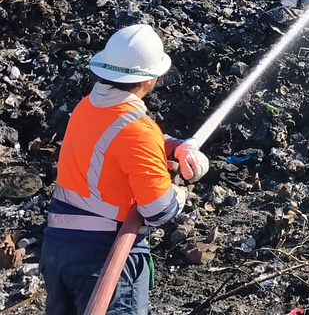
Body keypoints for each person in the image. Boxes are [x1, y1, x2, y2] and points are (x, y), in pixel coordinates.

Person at [40, 24, 210, 315]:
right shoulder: (136, 130)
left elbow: (120, 142)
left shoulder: (87, 108)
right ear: (150, 79)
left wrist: (176, 147)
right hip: (104, 260)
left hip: (58, 253)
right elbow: (158, 211)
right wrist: (179, 193)